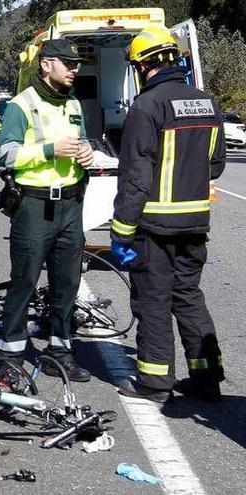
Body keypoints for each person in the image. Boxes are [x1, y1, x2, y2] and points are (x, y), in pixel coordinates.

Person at [111, 26, 226, 403]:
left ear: (144, 66)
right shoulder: (207, 102)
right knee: (188, 296)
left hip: (155, 226)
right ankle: (206, 378)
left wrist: (121, 230)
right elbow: (217, 165)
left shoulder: (147, 106)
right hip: (195, 222)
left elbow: (136, 175)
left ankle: (155, 382)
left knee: (153, 301)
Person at [0, 39, 94, 382]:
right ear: (46, 64)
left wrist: (86, 155)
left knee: (67, 283)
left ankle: (60, 350)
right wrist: (49, 149)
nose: (74, 69)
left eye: (77, 64)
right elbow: (4, 155)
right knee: (24, 280)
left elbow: (82, 141)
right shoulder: (21, 105)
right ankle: (12, 356)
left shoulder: (74, 104)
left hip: (71, 203)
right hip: (34, 205)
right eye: (68, 63)